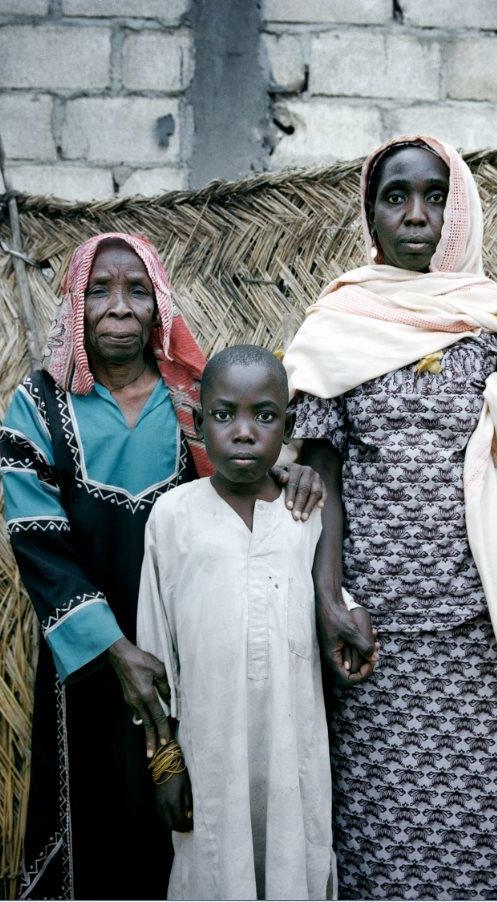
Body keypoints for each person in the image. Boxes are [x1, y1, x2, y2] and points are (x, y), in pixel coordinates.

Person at [0, 234, 326, 900]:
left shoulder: (187, 403)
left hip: (192, 656)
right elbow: (38, 544)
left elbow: (238, 471)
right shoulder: (36, 407)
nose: (118, 307)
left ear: (158, 308)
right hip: (87, 659)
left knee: (185, 816)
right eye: (99, 290)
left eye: (136, 290)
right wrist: (115, 649)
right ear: (74, 303)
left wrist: (291, 476)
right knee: (94, 809)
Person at [283, 136, 497, 900]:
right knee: (381, 833)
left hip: (473, 636)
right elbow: (323, 481)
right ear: (370, 214)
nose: (417, 214)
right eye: (395, 196)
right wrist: (329, 601)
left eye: (435, 196)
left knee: (484, 823)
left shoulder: (494, 330)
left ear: (460, 209)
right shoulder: (336, 329)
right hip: (374, 635)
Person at [136, 345, 368, 900]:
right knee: (215, 871)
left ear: (287, 426)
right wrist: (166, 765)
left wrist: (353, 631)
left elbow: (327, 607)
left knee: (294, 866)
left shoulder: (303, 515)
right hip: (208, 760)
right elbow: (154, 657)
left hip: (294, 757)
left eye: (264, 416)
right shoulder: (172, 519)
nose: (244, 433)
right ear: (197, 422)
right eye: (224, 415)